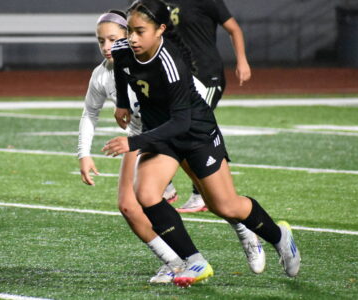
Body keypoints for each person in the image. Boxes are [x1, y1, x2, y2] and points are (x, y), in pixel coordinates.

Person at [102, 0, 300, 287]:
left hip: (196, 133)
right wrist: (122, 104)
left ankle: (280, 237)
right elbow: (122, 70)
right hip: (162, 133)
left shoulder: (171, 63)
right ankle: (195, 261)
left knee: (226, 206)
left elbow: (181, 123)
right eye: (129, 30)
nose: (131, 37)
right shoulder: (124, 50)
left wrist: (134, 142)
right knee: (145, 193)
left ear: (160, 30)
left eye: (140, 31)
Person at [78, 10, 264, 283]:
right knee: (129, 206)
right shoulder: (102, 75)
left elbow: (193, 96)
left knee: (214, 199)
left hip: (180, 134)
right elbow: (89, 113)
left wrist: (201, 134)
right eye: (100, 41)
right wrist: (84, 154)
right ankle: (176, 262)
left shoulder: (156, 61)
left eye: (114, 39)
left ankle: (245, 229)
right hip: (141, 136)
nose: (107, 46)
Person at [165, 0, 252, 213]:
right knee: (168, 121)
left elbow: (234, 29)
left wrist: (241, 60)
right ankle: (167, 185)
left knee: (196, 125)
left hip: (206, 74)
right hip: (179, 74)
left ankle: (199, 194)